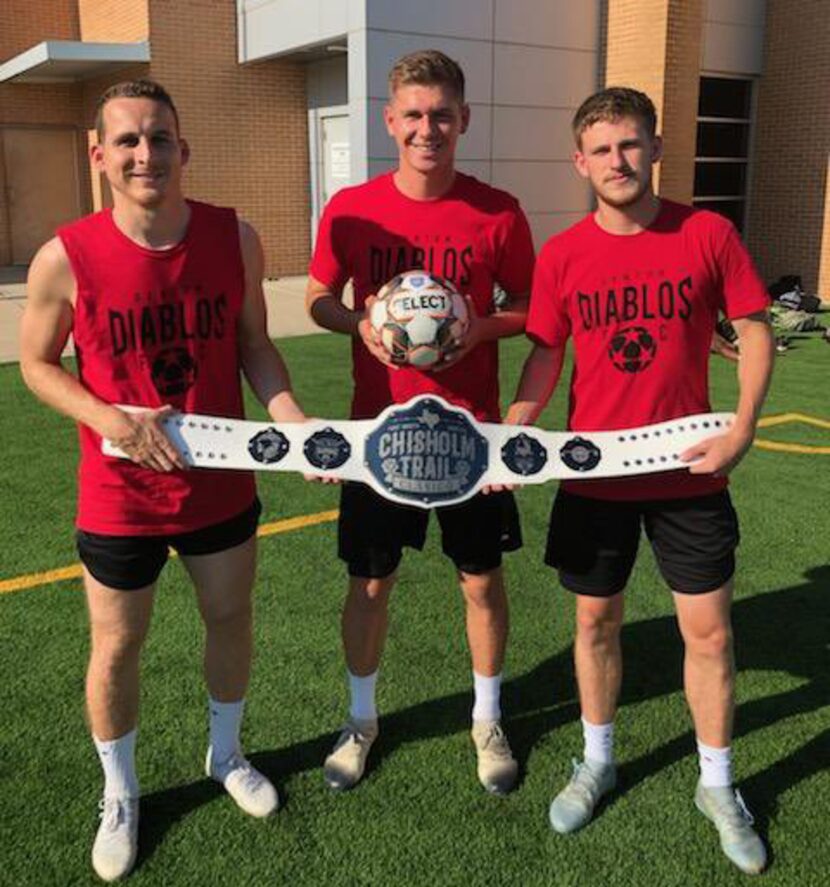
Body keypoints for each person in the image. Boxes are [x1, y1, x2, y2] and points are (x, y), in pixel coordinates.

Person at [19, 80, 306, 882]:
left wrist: (289, 419)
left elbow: (255, 345)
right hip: (121, 495)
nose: (147, 155)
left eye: (161, 138)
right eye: (130, 141)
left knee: (229, 616)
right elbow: (37, 366)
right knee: (118, 645)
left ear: (185, 147)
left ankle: (226, 752)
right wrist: (113, 419)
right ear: (99, 153)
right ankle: (121, 790)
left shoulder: (232, 237)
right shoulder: (63, 256)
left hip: (220, 481)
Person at [506, 88, 774, 874]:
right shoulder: (562, 255)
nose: (617, 162)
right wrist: (512, 435)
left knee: (711, 633)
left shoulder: (707, 231)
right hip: (596, 475)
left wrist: (743, 425)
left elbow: (753, 328)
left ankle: (717, 783)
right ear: (578, 162)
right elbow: (546, 355)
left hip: (691, 468)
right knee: (594, 625)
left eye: (631, 145)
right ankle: (598, 759)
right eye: (601, 149)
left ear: (655, 148)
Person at [305, 50, 536, 794]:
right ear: (389, 120)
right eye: (413, 114)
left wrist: (477, 325)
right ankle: (362, 718)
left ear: (463, 119)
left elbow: (535, 311)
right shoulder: (351, 208)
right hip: (378, 436)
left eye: (441, 114)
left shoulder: (497, 211)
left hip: (473, 438)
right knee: (371, 584)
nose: (427, 128)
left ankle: (487, 716)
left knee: (480, 581)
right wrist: (360, 325)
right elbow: (316, 296)